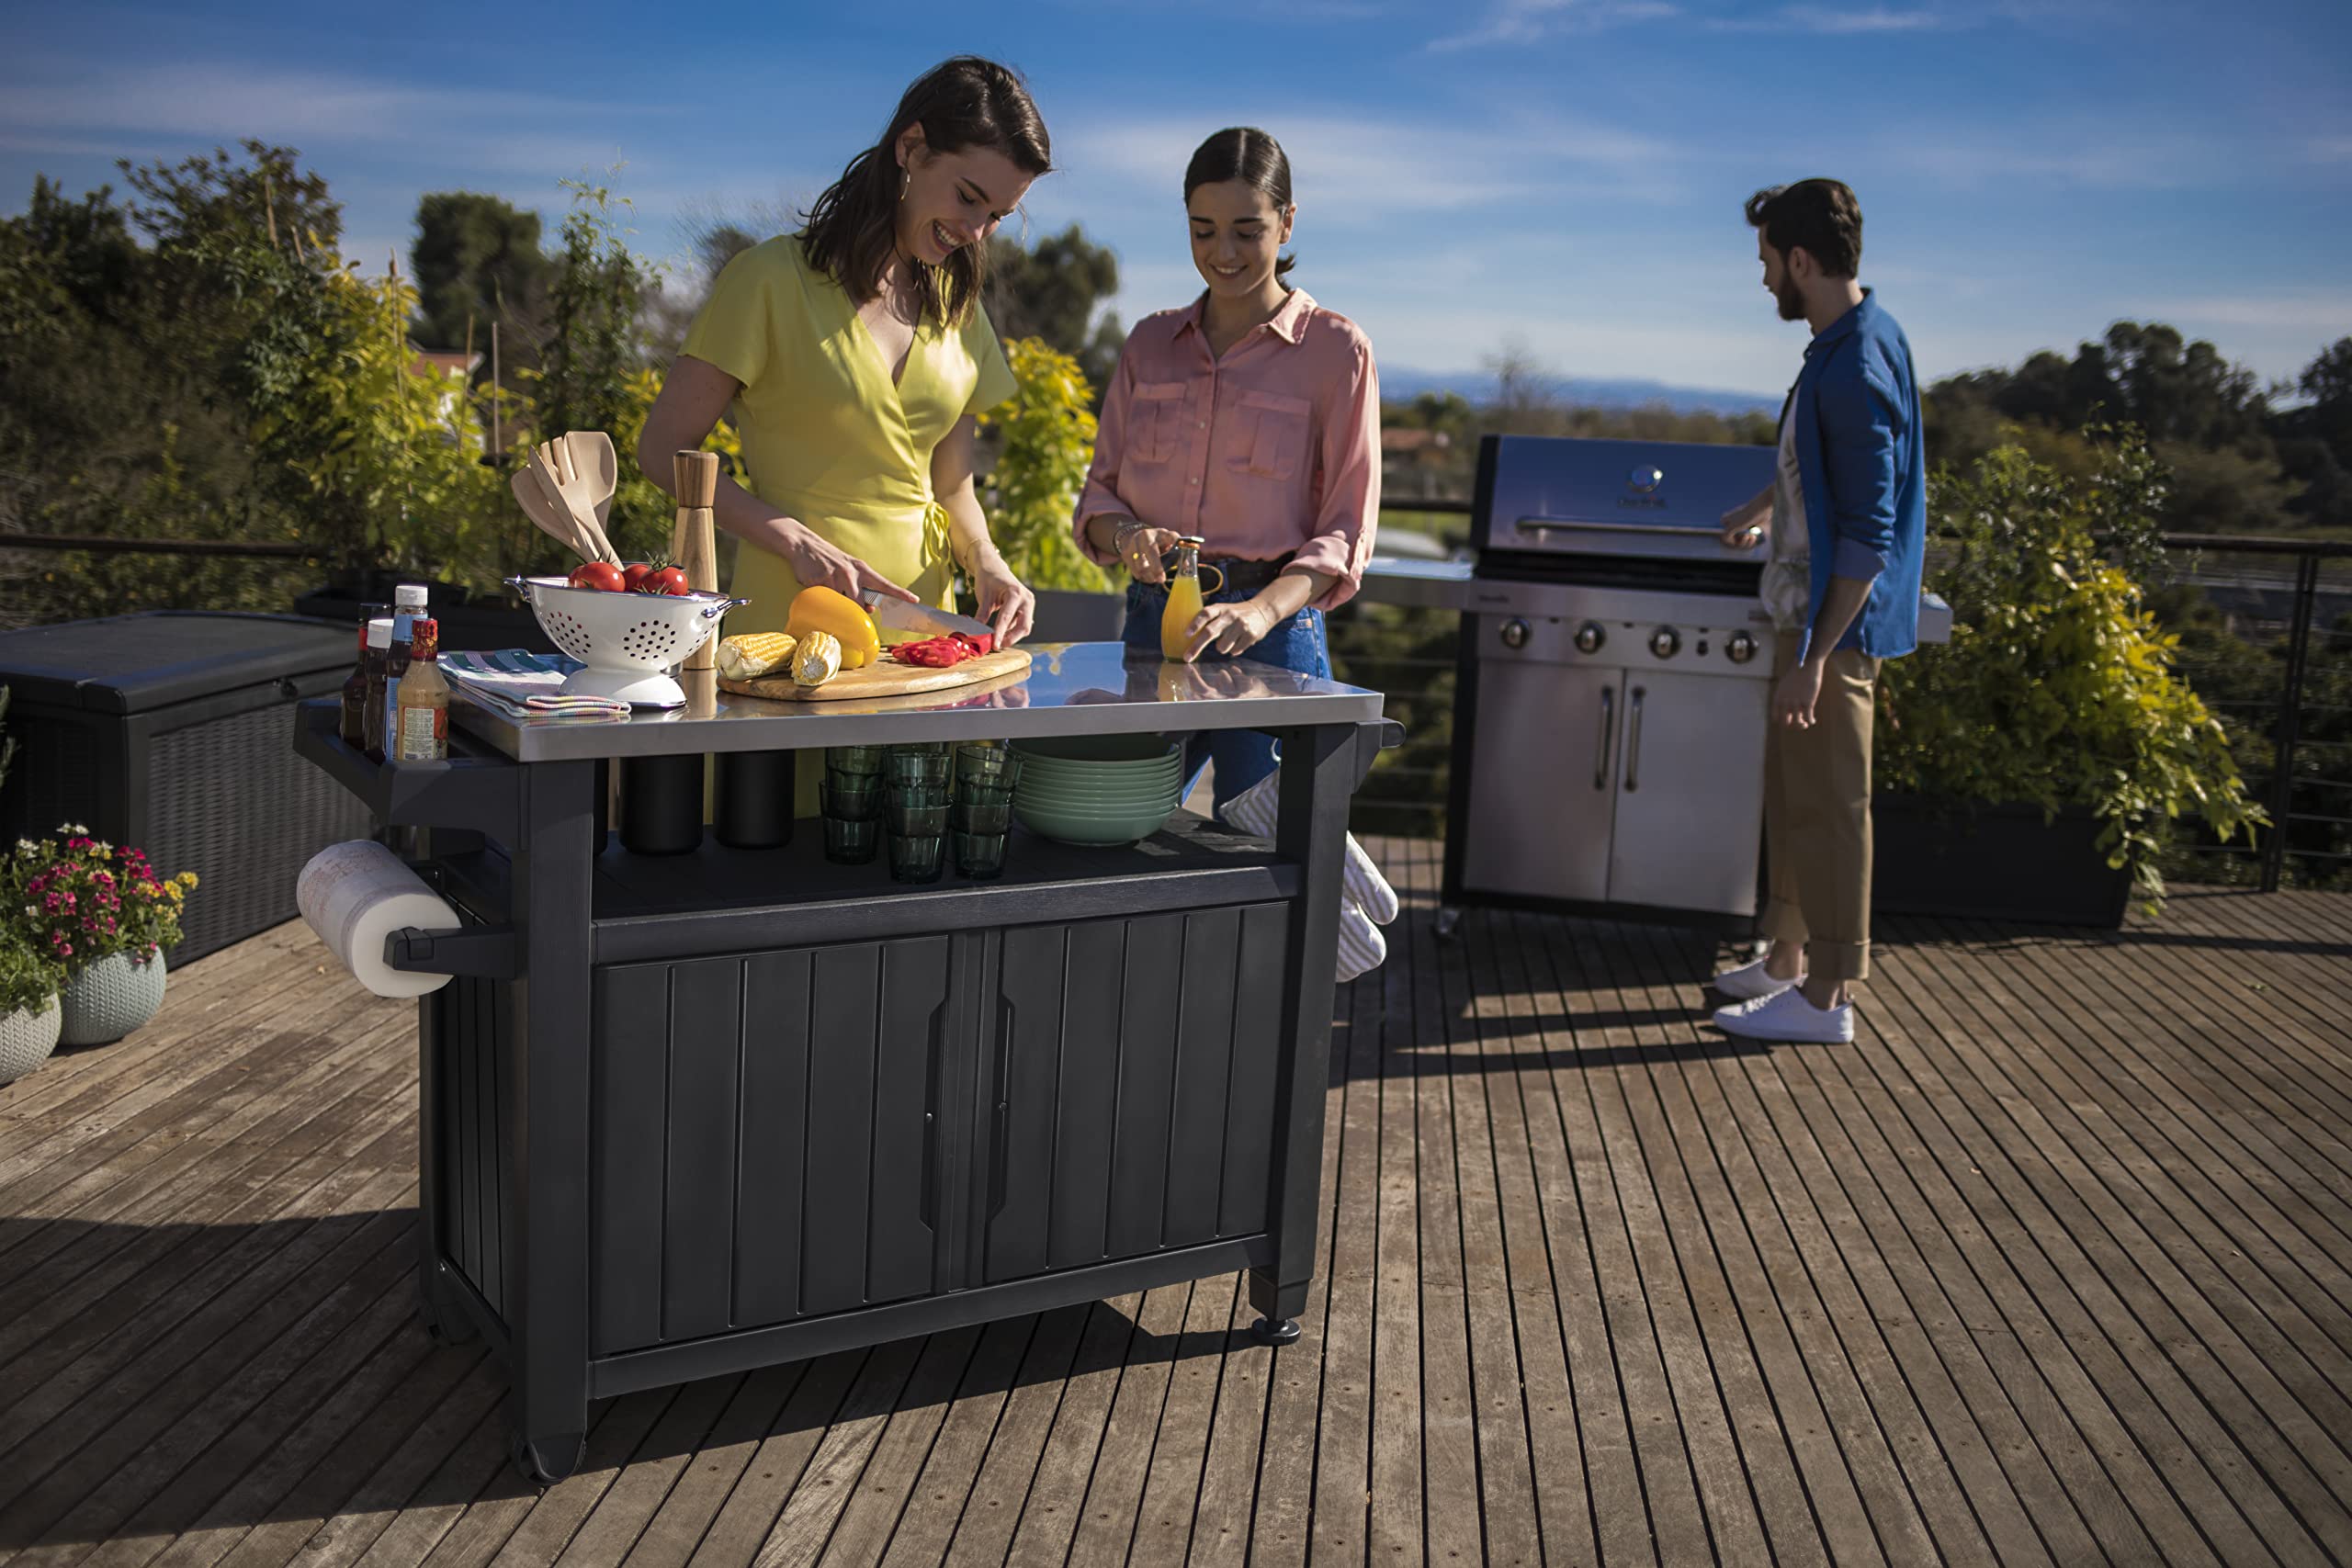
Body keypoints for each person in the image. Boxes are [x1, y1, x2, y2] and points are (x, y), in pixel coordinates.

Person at [639, 55, 1047, 649]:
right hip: (790, 618)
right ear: (910, 148)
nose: (976, 230)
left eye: (996, 216)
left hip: (925, 632)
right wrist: (793, 539)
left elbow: (953, 487)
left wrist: (989, 562)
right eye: (967, 197)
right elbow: (661, 451)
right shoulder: (767, 281)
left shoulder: (961, 312)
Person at [1071, 126, 1380, 818]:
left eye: (1248, 230)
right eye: (1203, 230)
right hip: (1152, 632)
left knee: (1277, 855)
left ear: (1288, 221)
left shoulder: (1337, 352)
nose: (1224, 253)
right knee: (1123, 828)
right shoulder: (1150, 344)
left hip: (1274, 638)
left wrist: (1260, 609)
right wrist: (1129, 537)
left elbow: (1346, 529)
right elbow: (1100, 495)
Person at [1711, 178, 1927, 1045]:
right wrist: (1768, 502)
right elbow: (1829, 466)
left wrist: (1817, 657)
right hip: (1807, 619)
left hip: (1833, 630)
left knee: (1833, 803)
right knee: (1797, 793)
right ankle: (1790, 957)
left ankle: (1831, 991)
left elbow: (1870, 535)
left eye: (1768, 263)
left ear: (1801, 259)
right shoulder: (1846, 342)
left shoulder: (1858, 362)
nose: (1764, 281)